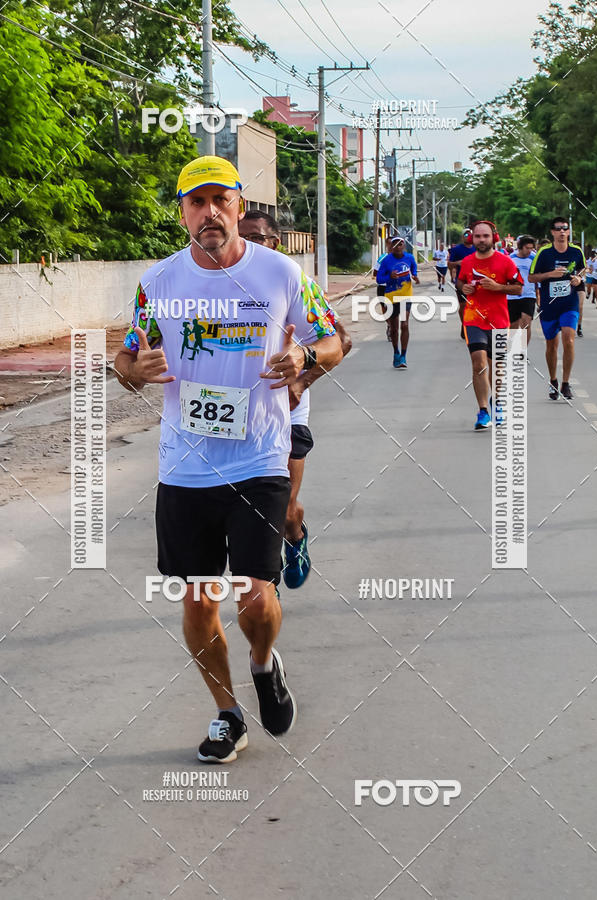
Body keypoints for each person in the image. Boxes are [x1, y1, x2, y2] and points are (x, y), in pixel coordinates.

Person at [113, 156, 343, 763]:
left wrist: (306, 360)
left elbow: (333, 339)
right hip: (184, 465)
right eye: (196, 201)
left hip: (259, 457)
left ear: (240, 205)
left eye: (220, 199)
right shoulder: (157, 283)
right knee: (197, 598)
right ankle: (227, 714)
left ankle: (264, 664)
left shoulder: (280, 273)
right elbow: (126, 359)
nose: (209, 211)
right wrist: (133, 369)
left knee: (254, 596)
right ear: (183, 211)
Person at [238, 210, 352, 590]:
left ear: (275, 243)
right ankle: (259, 582)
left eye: (257, 238)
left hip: (287, 412)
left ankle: (295, 537)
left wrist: (302, 379)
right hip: (232, 415)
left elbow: (342, 341)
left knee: (282, 507)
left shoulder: (291, 280)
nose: (248, 245)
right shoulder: (216, 282)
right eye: (242, 237)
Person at [456, 220, 523, 430]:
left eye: (485, 236)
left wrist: (497, 287)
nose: (481, 240)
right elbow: (460, 282)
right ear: (471, 238)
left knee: (497, 367)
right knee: (478, 363)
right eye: (477, 236)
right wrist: (464, 288)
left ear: (493, 237)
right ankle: (483, 410)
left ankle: (498, 404)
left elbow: (518, 288)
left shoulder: (505, 262)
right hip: (473, 319)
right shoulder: (467, 262)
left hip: (499, 321)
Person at [529, 216, 585, 400]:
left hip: (569, 303)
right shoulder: (544, 253)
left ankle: (566, 383)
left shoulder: (577, 252)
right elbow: (531, 278)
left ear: (568, 232)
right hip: (549, 304)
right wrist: (550, 274)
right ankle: (553, 380)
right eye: (558, 228)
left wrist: (578, 279)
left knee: (569, 339)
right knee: (552, 344)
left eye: (565, 228)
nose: (562, 231)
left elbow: (582, 271)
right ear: (552, 232)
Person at [376, 236, 419, 368]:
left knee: (404, 325)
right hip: (391, 296)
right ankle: (396, 352)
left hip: (406, 295)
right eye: (395, 244)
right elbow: (378, 278)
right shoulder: (386, 260)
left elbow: (414, 269)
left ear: (404, 246)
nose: (398, 247)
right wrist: (390, 276)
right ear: (391, 247)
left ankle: (403, 356)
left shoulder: (410, 258)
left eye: (400, 244)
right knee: (394, 328)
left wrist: (415, 276)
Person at [508, 235, 537, 344]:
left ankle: (523, 352)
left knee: (526, 324)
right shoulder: (511, 258)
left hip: (528, 295)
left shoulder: (534, 258)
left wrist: (538, 294)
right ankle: (511, 348)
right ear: (520, 247)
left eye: (531, 248)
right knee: (513, 326)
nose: (529, 251)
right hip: (512, 295)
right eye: (527, 248)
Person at [449, 228, 476, 339]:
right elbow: (449, 265)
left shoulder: (477, 248)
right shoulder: (456, 250)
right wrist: (457, 263)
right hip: (462, 282)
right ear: (462, 236)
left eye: (470, 234)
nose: (468, 236)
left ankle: (471, 326)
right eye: (466, 234)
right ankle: (464, 324)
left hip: (476, 282)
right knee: (464, 305)